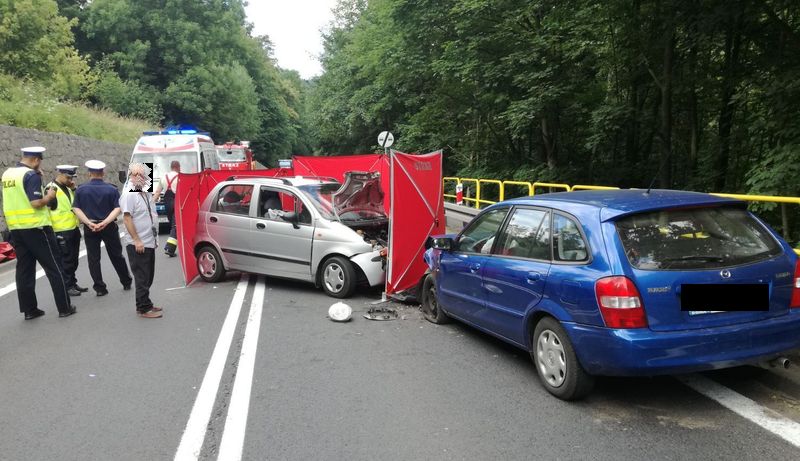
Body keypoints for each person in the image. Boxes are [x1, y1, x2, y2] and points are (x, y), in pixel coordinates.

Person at [1, 146, 76, 319]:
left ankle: (30, 310)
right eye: (39, 161)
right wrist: (49, 196)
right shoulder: (30, 175)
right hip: (37, 228)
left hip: (17, 229)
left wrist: (38, 178)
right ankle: (64, 307)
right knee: (54, 267)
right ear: (35, 160)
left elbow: (19, 196)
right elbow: (35, 203)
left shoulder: (8, 174)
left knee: (24, 270)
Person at [72, 160, 133, 296]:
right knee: (116, 255)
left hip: (91, 228)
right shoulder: (111, 189)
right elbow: (118, 208)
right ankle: (126, 281)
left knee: (93, 259)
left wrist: (89, 223)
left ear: (89, 174)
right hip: (109, 226)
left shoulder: (81, 189)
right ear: (103, 173)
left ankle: (100, 288)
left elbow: (76, 208)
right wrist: (105, 222)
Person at [121, 163, 162, 318]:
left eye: (145, 175)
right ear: (132, 177)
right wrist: (137, 240)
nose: (143, 178)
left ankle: (146, 302)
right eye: (138, 175)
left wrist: (155, 238)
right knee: (142, 276)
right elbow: (126, 218)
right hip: (138, 244)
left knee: (148, 275)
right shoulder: (129, 195)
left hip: (149, 241)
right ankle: (143, 308)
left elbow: (150, 215)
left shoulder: (145, 193)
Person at [46, 165, 88, 297]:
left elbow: (74, 203)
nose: (70, 179)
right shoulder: (51, 189)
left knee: (73, 259)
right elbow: (47, 210)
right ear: (60, 174)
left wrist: (74, 188)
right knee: (66, 260)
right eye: (68, 177)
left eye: (72, 177)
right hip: (60, 231)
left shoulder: (67, 188)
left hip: (72, 228)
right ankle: (67, 285)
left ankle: (72, 282)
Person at [154, 160, 180, 257]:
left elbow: (157, 193)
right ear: (177, 167)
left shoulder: (163, 177)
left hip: (167, 204)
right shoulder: (179, 177)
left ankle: (172, 246)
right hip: (176, 202)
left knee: (173, 224)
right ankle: (170, 248)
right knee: (176, 226)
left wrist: (150, 204)